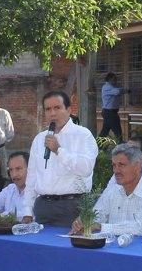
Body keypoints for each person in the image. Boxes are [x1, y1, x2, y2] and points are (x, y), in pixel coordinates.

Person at [19, 91, 98, 227]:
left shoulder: (83, 135)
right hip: (43, 206)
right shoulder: (39, 139)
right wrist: (27, 210)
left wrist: (59, 150)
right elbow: (32, 177)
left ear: (69, 109)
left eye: (57, 108)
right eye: (48, 109)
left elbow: (86, 169)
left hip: (72, 206)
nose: (52, 113)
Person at [72, 143, 142, 238]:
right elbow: (97, 216)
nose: (116, 171)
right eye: (114, 166)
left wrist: (101, 227)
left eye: (121, 165)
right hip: (110, 249)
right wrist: (83, 222)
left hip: (141, 251)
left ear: (137, 167)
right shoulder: (112, 191)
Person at [99, 72, 129, 139]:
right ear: (109, 79)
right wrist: (126, 90)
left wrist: (124, 90)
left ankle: (99, 146)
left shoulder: (112, 87)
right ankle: (120, 145)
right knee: (117, 131)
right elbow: (117, 92)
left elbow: (118, 91)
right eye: (114, 79)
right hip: (109, 112)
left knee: (105, 131)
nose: (116, 80)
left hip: (110, 112)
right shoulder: (107, 87)